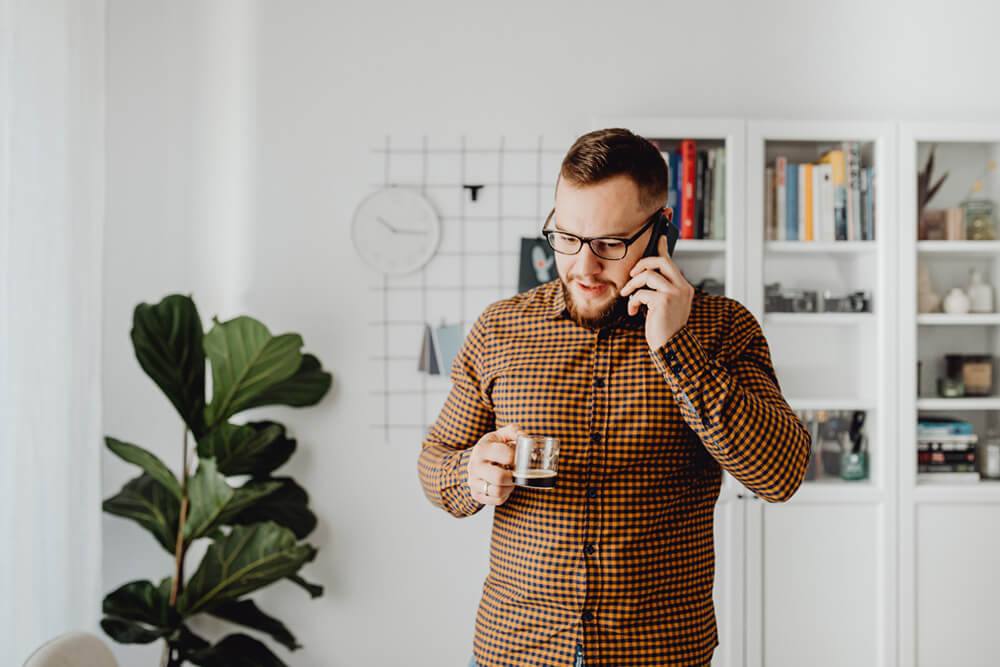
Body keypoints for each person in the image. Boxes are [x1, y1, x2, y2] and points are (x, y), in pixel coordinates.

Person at [417, 128, 810, 667]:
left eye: (609, 244)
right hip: (515, 649)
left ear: (662, 231)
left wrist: (677, 347)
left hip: (657, 654)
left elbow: (781, 475)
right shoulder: (500, 328)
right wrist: (469, 473)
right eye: (566, 237)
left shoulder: (723, 328)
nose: (582, 266)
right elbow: (436, 458)